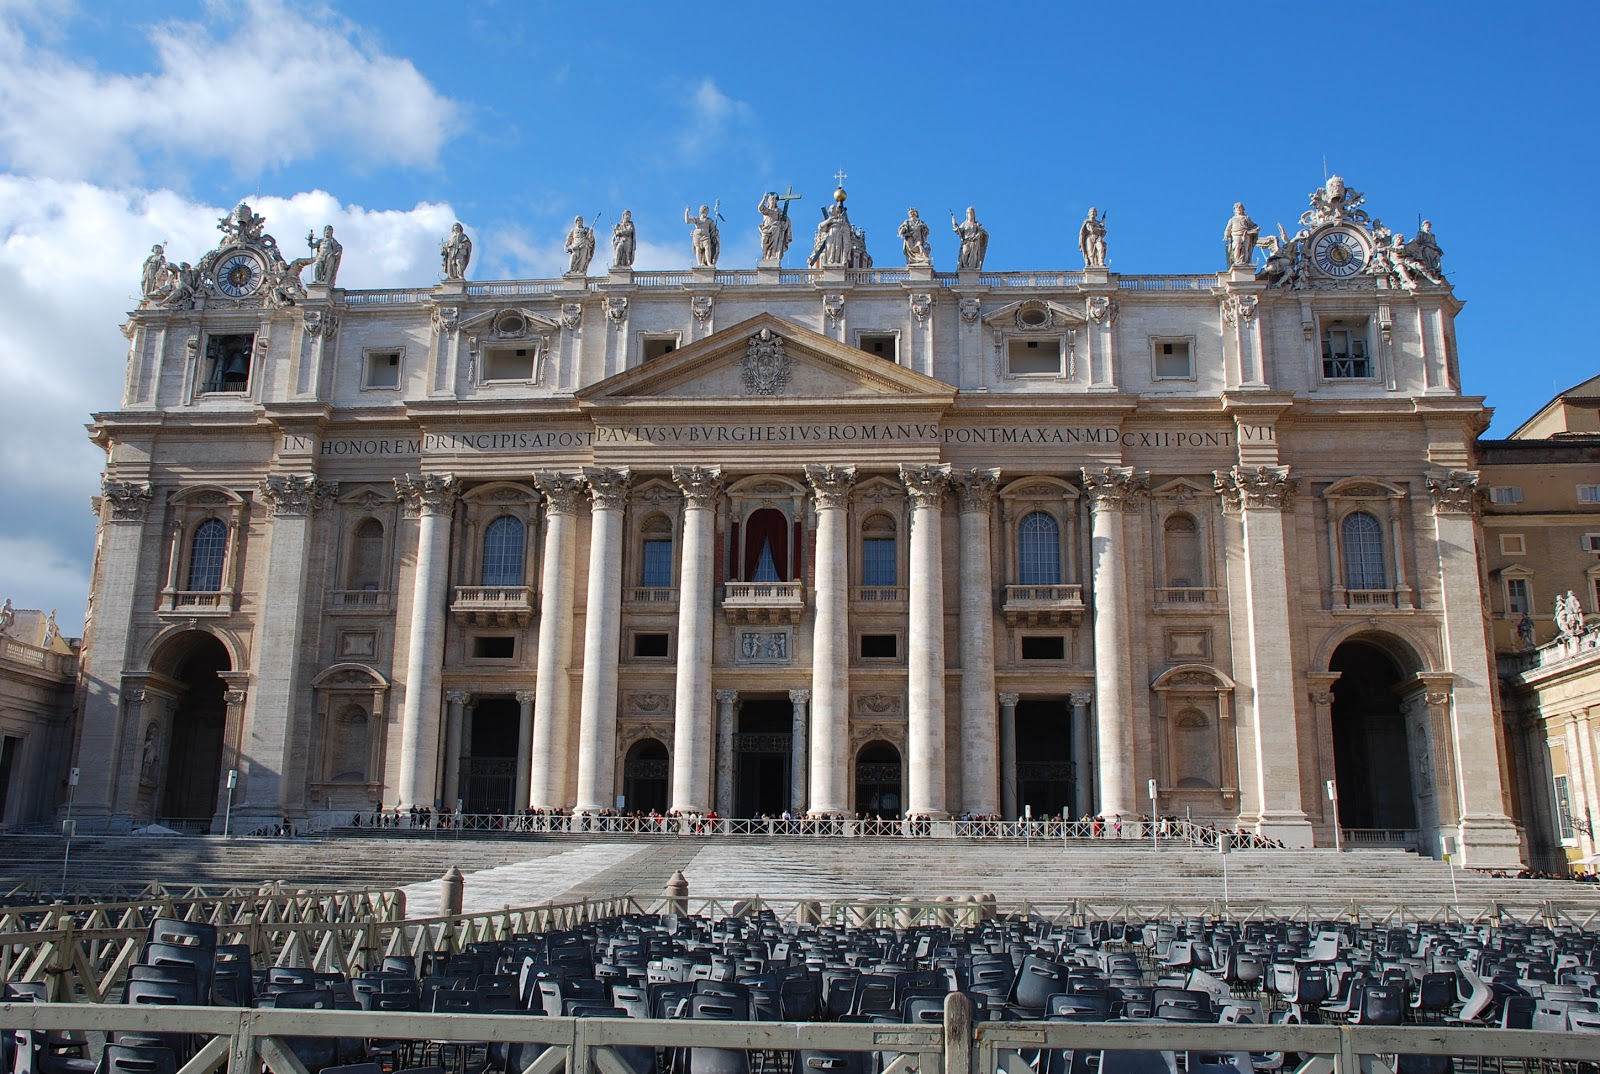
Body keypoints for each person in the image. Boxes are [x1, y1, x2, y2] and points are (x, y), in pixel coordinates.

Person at [807, 203, 852, 268]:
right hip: (830, 235)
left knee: (837, 248)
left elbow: (848, 228)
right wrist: (829, 220)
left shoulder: (842, 220)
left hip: (839, 235)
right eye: (831, 209)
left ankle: (836, 261)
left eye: (834, 209)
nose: (833, 211)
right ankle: (830, 261)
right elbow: (820, 227)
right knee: (830, 248)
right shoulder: (830, 220)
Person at [757, 192, 793, 261]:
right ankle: (765, 256)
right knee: (764, 240)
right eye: (771, 200)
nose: (772, 202)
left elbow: (786, 220)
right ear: (768, 202)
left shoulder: (778, 211)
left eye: (774, 201)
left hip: (776, 229)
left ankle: (772, 256)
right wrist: (763, 199)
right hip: (766, 229)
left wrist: (783, 224)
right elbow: (760, 208)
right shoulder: (767, 210)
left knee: (775, 244)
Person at [1223, 202, 1260, 267]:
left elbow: (1253, 225)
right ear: (1234, 210)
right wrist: (1226, 235)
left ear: (1243, 209)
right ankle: (1237, 261)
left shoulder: (1246, 218)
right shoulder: (1232, 219)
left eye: (1240, 207)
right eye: (1237, 208)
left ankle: (1244, 262)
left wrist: (1256, 228)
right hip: (1236, 234)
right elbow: (1228, 229)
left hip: (1246, 234)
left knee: (1245, 248)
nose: (1238, 209)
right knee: (1237, 247)